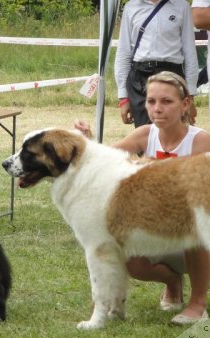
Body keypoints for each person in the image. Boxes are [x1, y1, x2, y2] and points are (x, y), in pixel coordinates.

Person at [75, 71, 210, 324]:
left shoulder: (201, 141)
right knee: (126, 252)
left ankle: (198, 304)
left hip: (196, 231)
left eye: (166, 102)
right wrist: (88, 140)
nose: (157, 109)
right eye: (151, 101)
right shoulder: (145, 134)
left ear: (185, 105)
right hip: (159, 228)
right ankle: (172, 282)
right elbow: (104, 160)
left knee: (196, 225)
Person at [114, 0, 198, 128]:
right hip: (140, 76)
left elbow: (190, 53)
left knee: (173, 132)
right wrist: (123, 97)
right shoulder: (131, 7)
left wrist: (190, 95)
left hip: (172, 76)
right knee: (144, 133)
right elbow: (123, 53)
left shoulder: (182, 6)